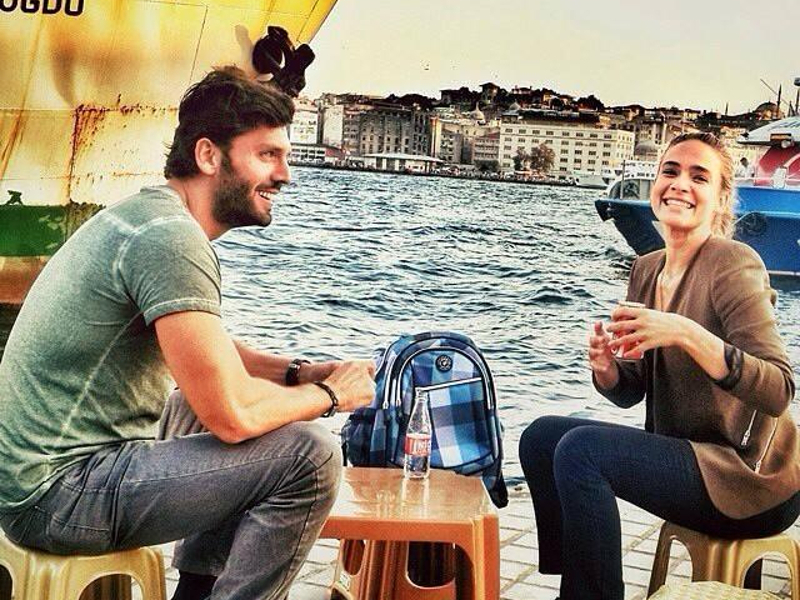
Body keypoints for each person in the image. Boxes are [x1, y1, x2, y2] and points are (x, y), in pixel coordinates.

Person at [0, 66, 376, 600]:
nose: (285, 175)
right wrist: (332, 394)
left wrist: (296, 372)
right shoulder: (171, 240)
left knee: (201, 405)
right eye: (267, 155)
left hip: (35, 478)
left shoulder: (151, 216)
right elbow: (232, 416)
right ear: (208, 156)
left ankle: (199, 590)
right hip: (57, 494)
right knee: (309, 456)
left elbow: (206, 350)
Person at [519, 132, 800, 600]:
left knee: (582, 451)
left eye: (699, 177)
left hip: (750, 479)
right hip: (688, 456)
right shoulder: (647, 269)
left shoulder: (733, 264)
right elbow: (632, 390)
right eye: (670, 171)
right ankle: (575, 585)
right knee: (541, 438)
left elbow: (778, 389)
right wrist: (607, 369)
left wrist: (685, 333)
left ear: (720, 198)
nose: (679, 184)